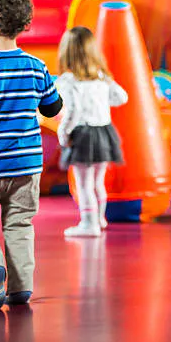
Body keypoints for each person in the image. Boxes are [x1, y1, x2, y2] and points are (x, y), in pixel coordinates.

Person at [0, 0, 63, 309]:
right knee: (19, 223)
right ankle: (21, 287)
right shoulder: (37, 66)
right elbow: (53, 107)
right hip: (27, 166)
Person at [56, 26, 128, 237]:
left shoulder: (68, 81)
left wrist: (63, 133)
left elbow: (73, 112)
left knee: (84, 183)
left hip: (84, 136)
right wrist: (103, 97)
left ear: (66, 52)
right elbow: (122, 97)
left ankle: (89, 224)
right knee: (97, 182)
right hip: (104, 132)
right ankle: (99, 218)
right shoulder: (100, 77)